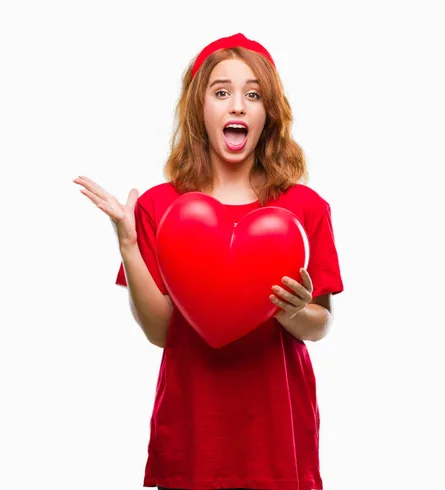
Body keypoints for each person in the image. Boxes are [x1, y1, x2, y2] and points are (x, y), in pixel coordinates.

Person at [74, 33, 343, 490]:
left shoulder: (304, 208)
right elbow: (161, 332)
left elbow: (320, 325)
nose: (237, 105)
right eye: (222, 92)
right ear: (201, 108)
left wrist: (293, 310)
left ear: (268, 114)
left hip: (278, 442)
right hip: (192, 438)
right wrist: (129, 246)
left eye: (253, 94)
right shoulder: (161, 208)